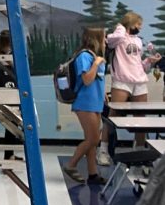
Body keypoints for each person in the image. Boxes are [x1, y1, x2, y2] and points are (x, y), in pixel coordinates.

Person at [107, 13, 163, 147]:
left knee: (140, 117)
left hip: (139, 82)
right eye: (138, 24)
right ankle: (103, 149)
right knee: (114, 115)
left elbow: (139, 64)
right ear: (130, 23)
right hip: (122, 82)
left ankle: (139, 149)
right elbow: (111, 40)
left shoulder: (138, 40)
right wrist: (121, 26)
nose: (140, 27)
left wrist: (149, 60)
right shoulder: (118, 38)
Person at [63, 29, 107, 185]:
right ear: (96, 39)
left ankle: (93, 174)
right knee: (93, 138)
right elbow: (87, 80)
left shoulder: (94, 56)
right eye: (104, 38)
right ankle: (71, 164)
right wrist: (96, 64)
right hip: (85, 103)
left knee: (93, 140)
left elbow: (96, 81)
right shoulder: (84, 56)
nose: (106, 41)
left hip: (95, 103)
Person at [0, 30, 22, 160]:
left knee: (13, 127)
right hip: (5, 98)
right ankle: (8, 157)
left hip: (13, 96)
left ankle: (9, 155)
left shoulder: (9, 58)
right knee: (11, 127)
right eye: (9, 44)